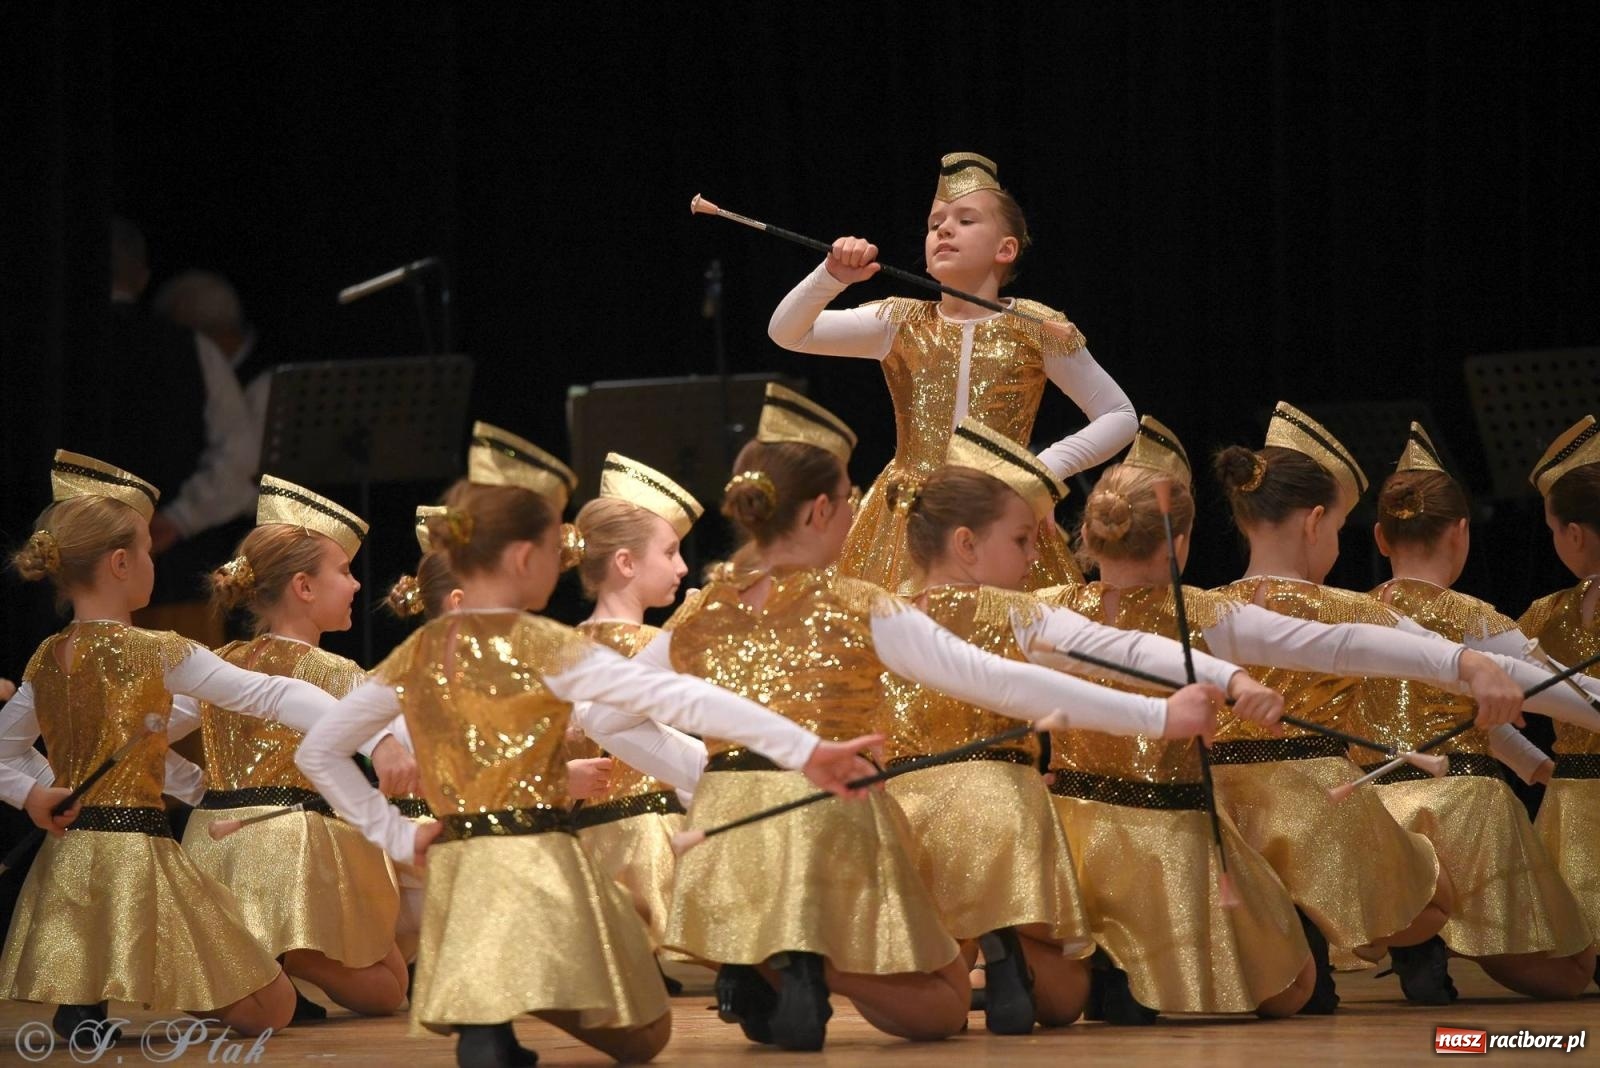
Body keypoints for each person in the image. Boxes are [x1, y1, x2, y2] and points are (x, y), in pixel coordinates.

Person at [293, 421, 885, 1068]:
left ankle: (487, 1016)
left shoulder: (415, 655)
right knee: (647, 1038)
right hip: (544, 864)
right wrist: (803, 748)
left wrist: (397, 835)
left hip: (462, 874)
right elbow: (680, 701)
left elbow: (319, 751)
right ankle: (512, 997)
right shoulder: (547, 647)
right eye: (558, 548)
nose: (566, 562)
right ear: (524, 558)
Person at [649, 386, 1223, 1050]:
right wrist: (1156, 715)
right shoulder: (860, 604)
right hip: (829, 819)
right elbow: (998, 680)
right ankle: (816, 963)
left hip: (728, 826)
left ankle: (772, 955)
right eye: (848, 499)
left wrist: (709, 771)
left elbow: (612, 705)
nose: (859, 513)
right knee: (945, 1007)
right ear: (818, 512)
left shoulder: (703, 609)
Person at [880, 417, 1286, 1034]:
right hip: (995, 813)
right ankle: (1004, 937)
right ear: (966, 545)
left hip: (899, 822)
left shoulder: (876, 615)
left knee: (945, 997)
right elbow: (1116, 651)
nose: (1033, 558)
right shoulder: (1017, 612)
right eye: (1021, 542)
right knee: (1062, 996)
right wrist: (1215, 686)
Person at [0, 450, 348, 1041]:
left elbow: (3, 753)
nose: (151, 560)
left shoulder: (46, 658)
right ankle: (145, 980)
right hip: (139, 853)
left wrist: (36, 796)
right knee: (275, 1010)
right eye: (144, 548)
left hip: (69, 861)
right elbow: (265, 694)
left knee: (260, 995)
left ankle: (87, 998)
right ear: (119, 564)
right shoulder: (160, 650)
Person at [767, 153, 1136, 594]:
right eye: (934, 223)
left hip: (1002, 511)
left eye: (965, 220)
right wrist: (831, 276)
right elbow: (788, 332)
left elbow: (1119, 414)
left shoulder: (1036, 327)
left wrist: (1038, 472)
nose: (943, 229)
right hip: (907, 518)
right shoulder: (898, 322)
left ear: (1005, 249)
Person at [1360, 423, 1595, 999]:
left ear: (1380, 539)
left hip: (1373, 810)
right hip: (1465, 810)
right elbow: (1562, 695)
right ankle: (1434, 925)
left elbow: (1473, 715)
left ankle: (1418, 931)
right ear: (1462, 534)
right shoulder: (1478, 619)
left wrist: (1535, 763)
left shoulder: (1350, 615)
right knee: (1572, 973)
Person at [180, 476, 413, 1018]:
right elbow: (393, 737)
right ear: (304, 588)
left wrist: (190, 786)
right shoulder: (334, 672)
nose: (357, 585)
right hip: (291, 845)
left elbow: (157, 729)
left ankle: (275, 958)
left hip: (215, 843)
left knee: (394, 966)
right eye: (345, 572)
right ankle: (295, 955)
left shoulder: (221, 667)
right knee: (388, 991)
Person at [565, 454, 706, 960]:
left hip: (587, 847)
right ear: (625, 562)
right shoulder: (657, 646)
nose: (683, 567)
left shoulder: (561, 648)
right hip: (654, 841)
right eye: (670, 552)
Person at [1520, 414, 1600, 990]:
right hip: (1570, 798)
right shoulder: (1548, 610)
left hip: (1574, 800)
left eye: (1551, 531)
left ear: (1573, 533)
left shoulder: (1545, 614)